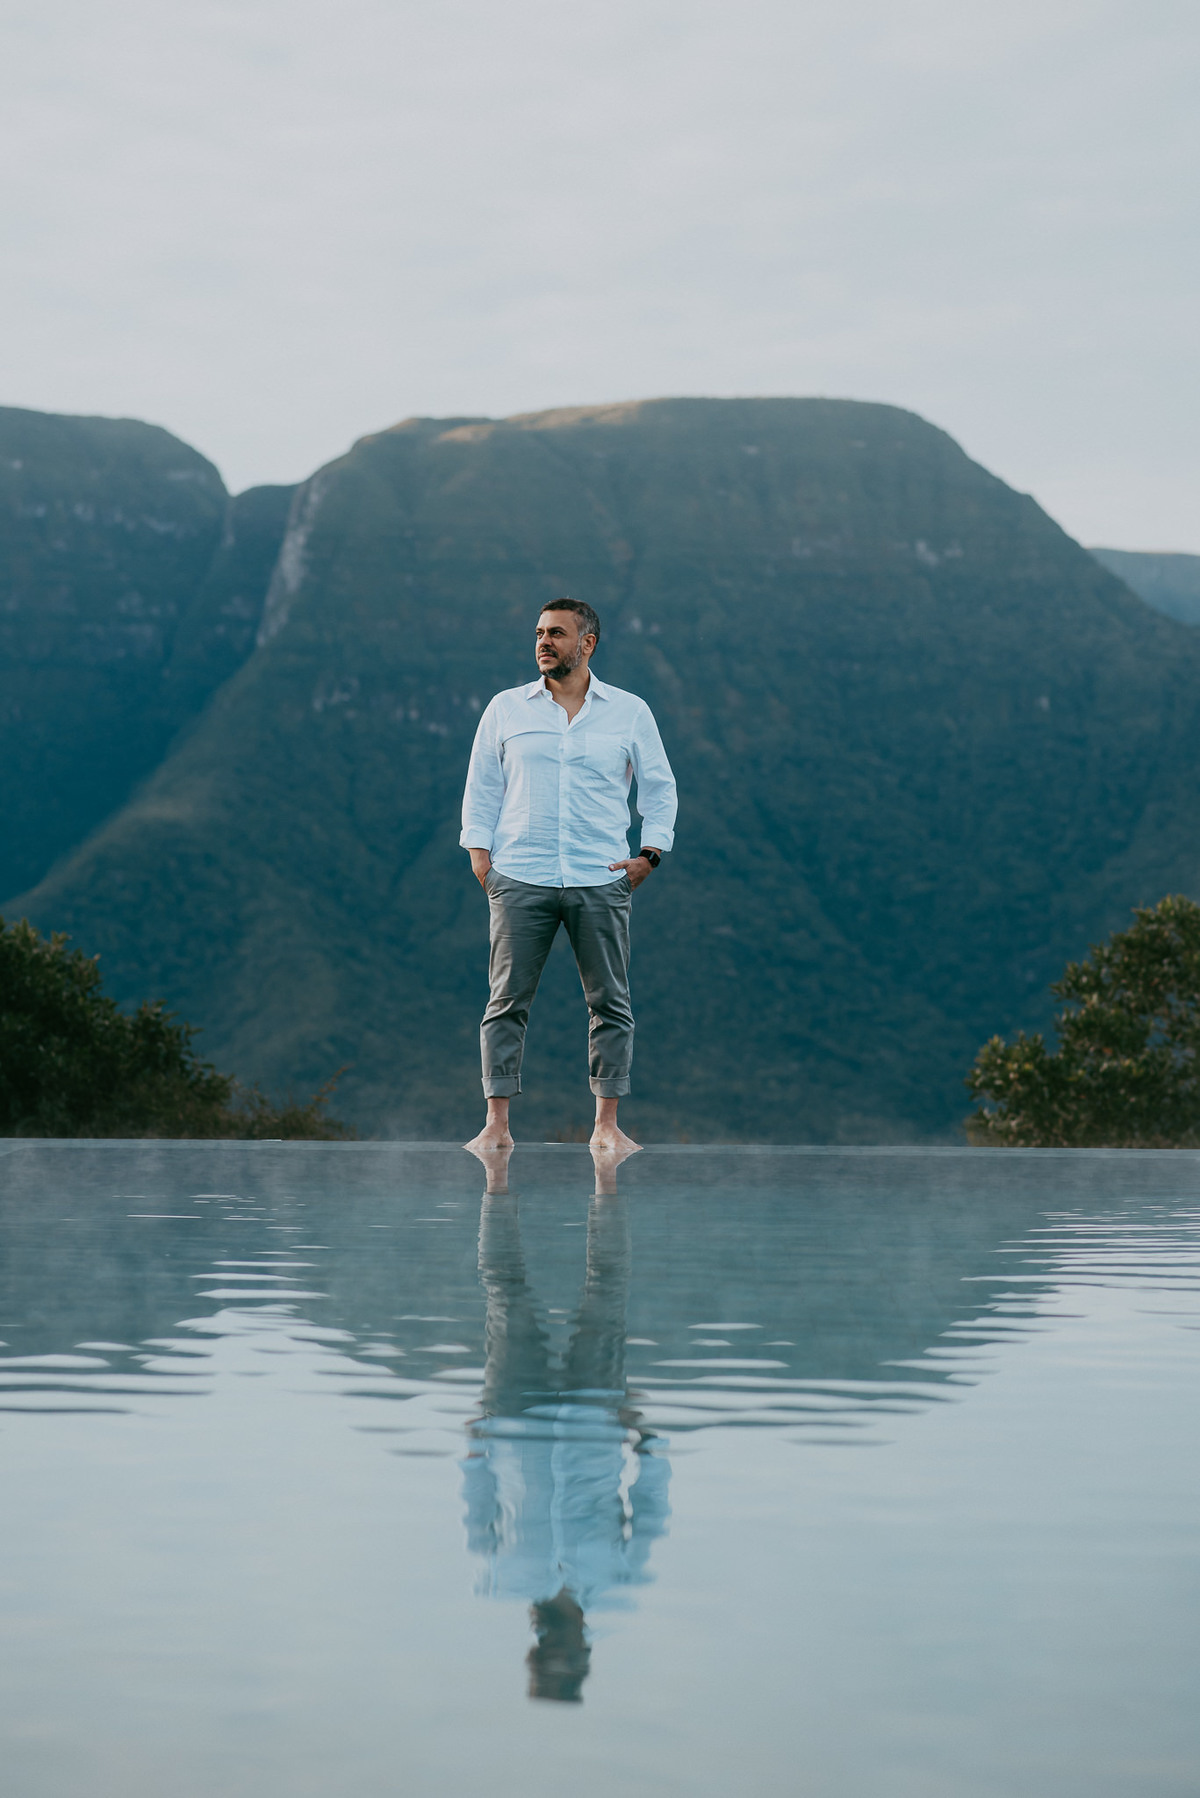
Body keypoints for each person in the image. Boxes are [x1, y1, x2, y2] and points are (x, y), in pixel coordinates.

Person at [460, 598, 677, 1153]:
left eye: (556, 633)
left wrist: (649, 855)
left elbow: (660, 789)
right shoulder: (506, 708)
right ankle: (496, 1125)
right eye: (539, 633)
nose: (543, 642)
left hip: (600, 877)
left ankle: (606, 1126)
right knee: (505, 1002)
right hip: (519, 876)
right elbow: (481, 788)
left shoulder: (629, 712)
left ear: (587, 643)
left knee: (611, 1003)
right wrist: (482, 860)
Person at [461, 1142, 671, 1702]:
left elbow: (478, 1518)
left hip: (513, 1414)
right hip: (595, 1413)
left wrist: (474, 1448)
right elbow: (650, 1512)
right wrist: (647, 1438)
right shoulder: (621, 1585)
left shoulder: (499, 1582)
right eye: (565, 1657)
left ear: (534, 1653)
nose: (555, 1646)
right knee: (609, 1286)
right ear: (583, 1655)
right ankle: (606, 1181)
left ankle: (496, 1182)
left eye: (546, 1657)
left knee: (502, 1286)